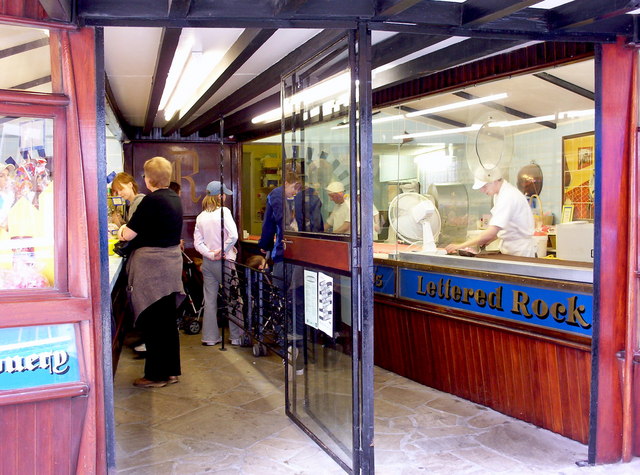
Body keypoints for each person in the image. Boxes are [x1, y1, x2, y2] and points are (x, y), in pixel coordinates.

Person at [117, 156, 184, 388]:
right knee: (166, 322)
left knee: (152, 321)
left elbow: (129, 235)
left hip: (153, 271)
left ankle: (155, 375)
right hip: (171, 267)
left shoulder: (151, 201)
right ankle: (171, 371)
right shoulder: (174, 198)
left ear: (148, 179)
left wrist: (121, 229)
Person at [194, 180, 243, 346]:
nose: (225, 198)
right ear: (219, 196)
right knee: (234, 298)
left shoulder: (201, 216)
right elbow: (234, 236)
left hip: (208, 263)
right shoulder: (224, 212)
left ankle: (209, 337)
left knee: (209, 300)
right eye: (224, 195)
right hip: (225, 261)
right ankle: (236, 337)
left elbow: (197, 243)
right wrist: (223, 250)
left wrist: (210, 254)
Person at [445, 167, 535, 257]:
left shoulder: (508, 196)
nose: (482, 190)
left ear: (494, 180)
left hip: (520, 251)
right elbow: (503, 227)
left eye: (484, 186)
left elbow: (492, 231)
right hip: (510, 249)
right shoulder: (499, 195)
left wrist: (460, 246)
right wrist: (488, 240)